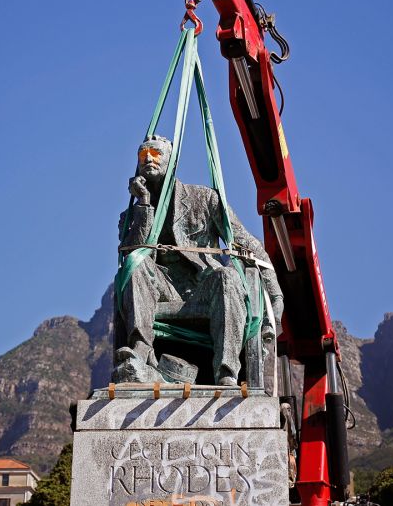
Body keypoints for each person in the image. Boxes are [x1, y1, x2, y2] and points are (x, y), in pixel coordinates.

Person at [116, 135, 284, 385]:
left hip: (204, 287)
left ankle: (227, 372)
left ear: (171, 162)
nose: (149, 158)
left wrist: (275, 298)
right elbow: (132, 253)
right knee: (137, 264)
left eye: (155, 153)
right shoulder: (132, 213)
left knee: (227, 276)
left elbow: (248, 245)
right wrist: (143, 204)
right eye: (143, 155)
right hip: (162, 289)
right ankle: (141, 353)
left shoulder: (205, 199)